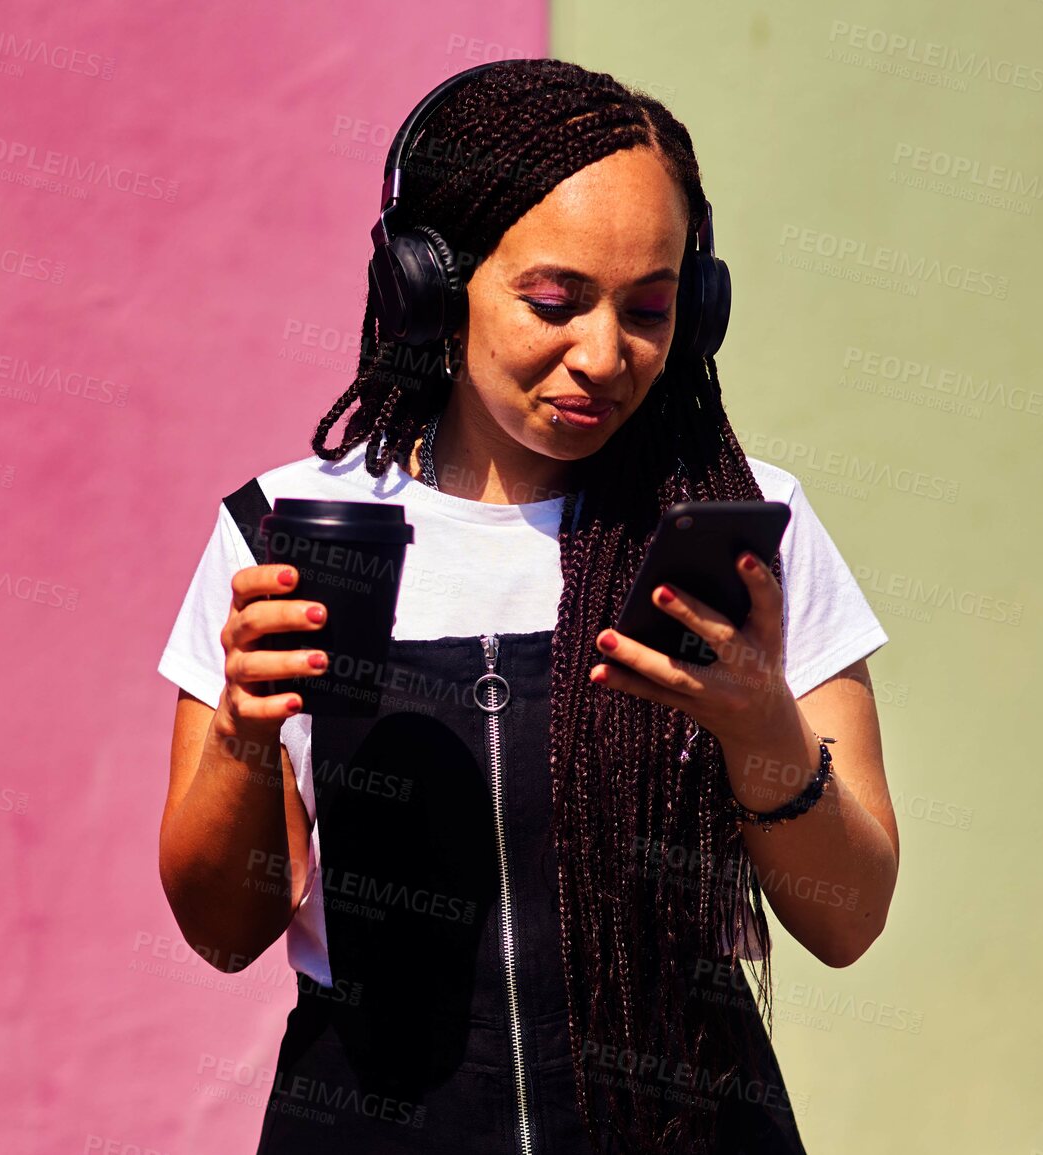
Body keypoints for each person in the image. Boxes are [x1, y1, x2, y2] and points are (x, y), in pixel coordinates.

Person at [156, 58, 900, 1155]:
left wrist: (762, 732)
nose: (603, 357)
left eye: (650, 311)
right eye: (554, 303)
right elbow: (224, 934)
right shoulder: (285, 532)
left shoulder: (745, 522)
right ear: (425, 281)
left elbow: (848, 920)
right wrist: (242, 736)